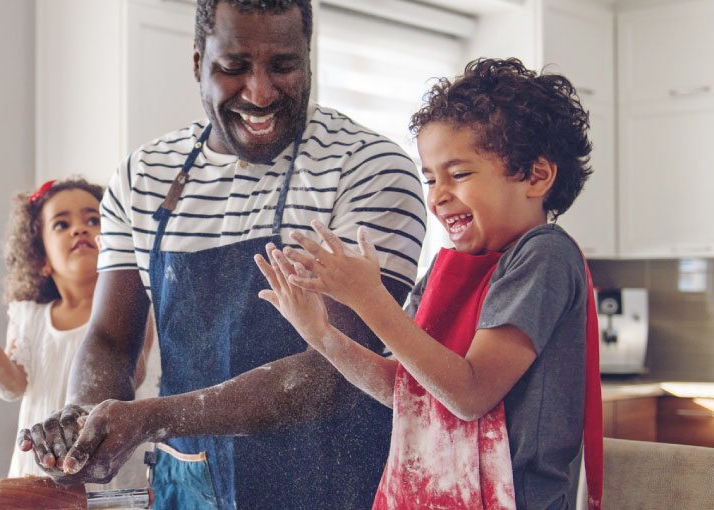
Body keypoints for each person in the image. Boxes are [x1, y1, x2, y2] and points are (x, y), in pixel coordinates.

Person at [18, 1, 428, 508]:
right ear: (197, 62)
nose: (260, 93)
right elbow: (109, 338)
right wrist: (82, 419)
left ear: (309, 58)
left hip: (333, 486)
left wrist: (153, 416)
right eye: (234, 67)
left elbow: (336, 369)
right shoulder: (143, 178)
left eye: (283, 65)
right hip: (187, 490)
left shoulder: (369, 169)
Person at [255, 57, 604, 509]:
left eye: (458, 174)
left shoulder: (544, 256)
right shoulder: (446, 271)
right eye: (430, 177)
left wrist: (369, 298)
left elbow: (470, 393)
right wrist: (319, 334)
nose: (437, 195)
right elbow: (405, 390)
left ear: (536, 176)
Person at [0, 177, 154, 486]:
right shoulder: (28, 316)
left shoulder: (133, 306)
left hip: (103, 474)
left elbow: (133, 376)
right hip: (37, 471)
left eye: (93, 220)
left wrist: (133, 283)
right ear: (41, 259)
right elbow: (11, 386)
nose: (79, 229)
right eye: (61, 224)